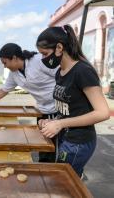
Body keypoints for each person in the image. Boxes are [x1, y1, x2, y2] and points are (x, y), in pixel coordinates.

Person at [36, 25, 110, 177]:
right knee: (67, 181)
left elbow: (103, 113)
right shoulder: (60, 72)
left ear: (59, 47)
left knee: (63, 182)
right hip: (65, 137)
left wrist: (60, 124)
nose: (43, 59)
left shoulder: (82, 71)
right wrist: (52, 121)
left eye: (44, 54)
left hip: (78, 142)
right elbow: (68, 109)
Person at [0, 43, 59, 162]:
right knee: (45, 146)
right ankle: (45, 168)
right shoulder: (14, 74)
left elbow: (63, 73)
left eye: (5, 63)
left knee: (59, 147)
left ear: (14, 58)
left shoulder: (39, 61)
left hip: (59, 110)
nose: (4, 67)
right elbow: (3, 90)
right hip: (43, 111)